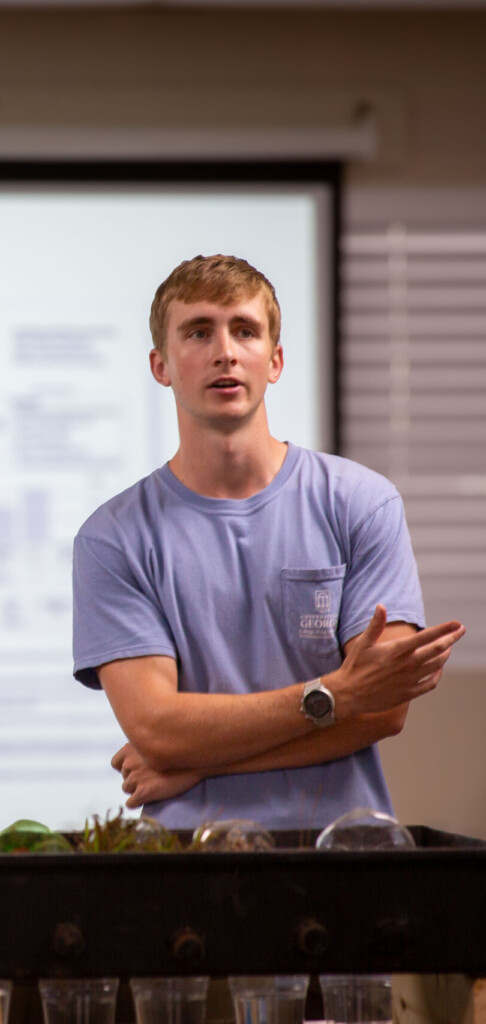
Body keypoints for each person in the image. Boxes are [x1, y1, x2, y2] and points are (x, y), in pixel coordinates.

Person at [72, 253, 465, 832]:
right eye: (199, 331)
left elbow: (383, 706)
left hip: (342, 855)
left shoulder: (362, 501)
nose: (224, 351)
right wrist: (336, 693)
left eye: (245, 331)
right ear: (161, 365)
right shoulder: (112, 537)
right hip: (182, 867)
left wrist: (199, 765)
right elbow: (156, 730)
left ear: (275, 361)